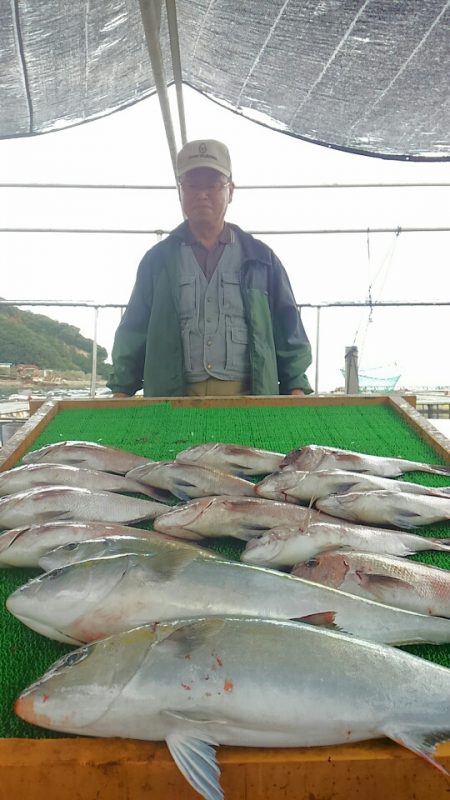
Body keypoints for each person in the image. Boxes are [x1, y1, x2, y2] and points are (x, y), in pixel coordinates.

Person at [107, 139, 313, 398]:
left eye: (213, 184)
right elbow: (133, 330)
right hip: (171, 401)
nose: (201, 193)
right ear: (181, 191)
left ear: (231, 190)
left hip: (249, 399)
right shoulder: (157, 260)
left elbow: (288, 329)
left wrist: (296, 388)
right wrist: (121, 390)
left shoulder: (262, 259)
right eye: (192, 184)